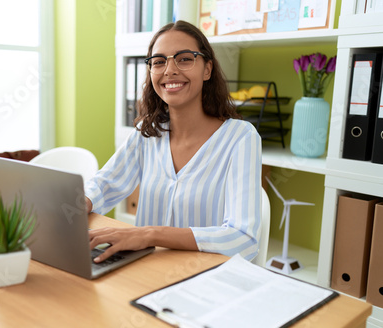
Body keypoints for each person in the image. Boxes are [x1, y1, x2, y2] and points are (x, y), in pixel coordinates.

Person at [85, 20, 262, 263]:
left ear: (207, 69)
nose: (169, 70)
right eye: (158, 62)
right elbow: (106, 183)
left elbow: (242, 239)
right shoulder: (147, 132)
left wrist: (151, 234)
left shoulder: (241, 137)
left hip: (202, 279)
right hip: (145, 270)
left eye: (185, 58)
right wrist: (79, 202)